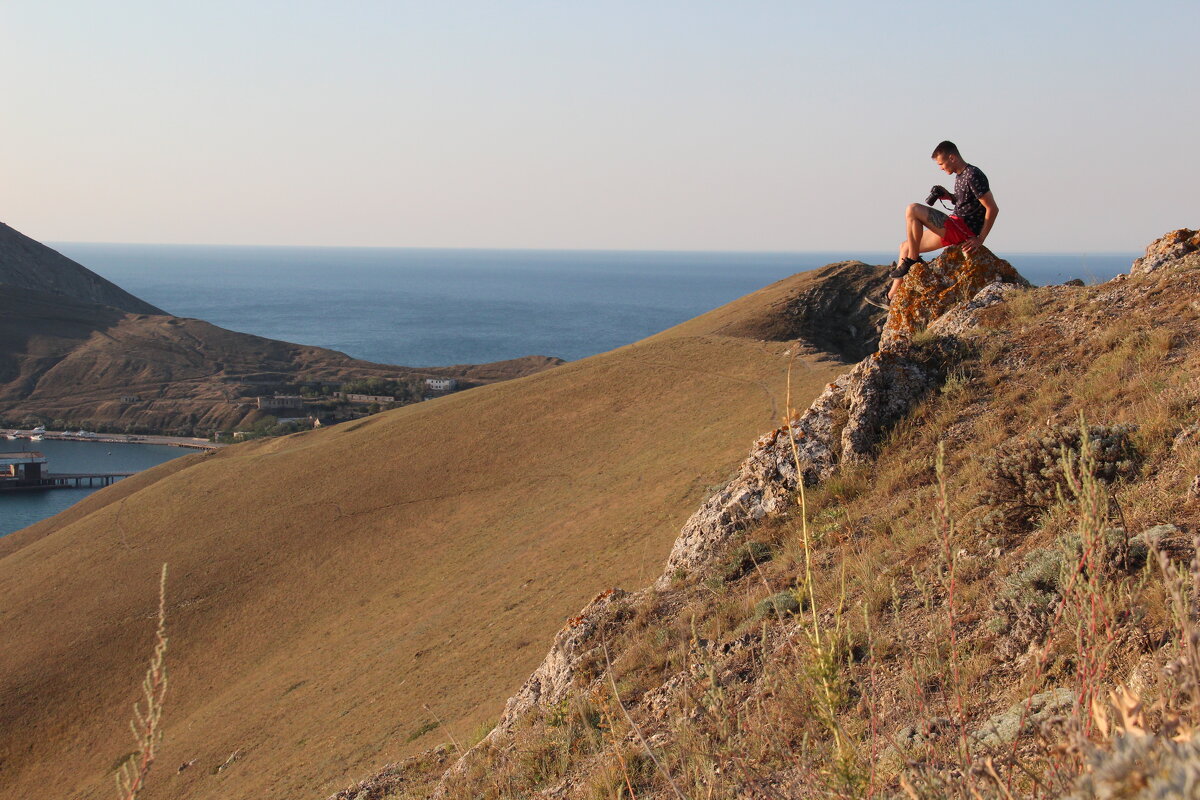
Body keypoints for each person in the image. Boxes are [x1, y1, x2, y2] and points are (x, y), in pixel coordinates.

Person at [887, 141, 999, 300]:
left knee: (912, 209)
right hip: (955, 224)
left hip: (963, 228)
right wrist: (949, 197)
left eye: (941, 163)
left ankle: (912, 260)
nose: (940, 167)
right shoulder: (961, 175)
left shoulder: (973, 175)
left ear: (952, 158)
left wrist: (980, 239)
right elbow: (967, 203)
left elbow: (992, 208)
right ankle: (891, 296)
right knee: (904, 246)